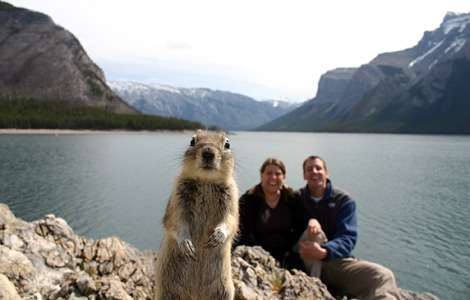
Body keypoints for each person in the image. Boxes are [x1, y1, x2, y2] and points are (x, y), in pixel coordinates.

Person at [292, 155, 402, 300]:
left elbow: (348, 238)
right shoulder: (295, 198)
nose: (314, 172)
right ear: (304, 175)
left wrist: (324, 252)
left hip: (334, 263)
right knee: (314, 235)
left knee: (383, 276)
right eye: (309, 169)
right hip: (304, 258)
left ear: (326, 173)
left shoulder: (343, 201)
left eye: (318, 168)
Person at [236, 158, 299, 269]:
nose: (273, 178)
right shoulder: (249, 200)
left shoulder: (291, 199)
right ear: (262, 175)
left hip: (286, 255)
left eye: (278, 174)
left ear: (284, 177)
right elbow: (246, 236)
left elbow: (300, 227)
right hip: (256, 255)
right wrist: (267, 259)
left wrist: (283, 256)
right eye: (269, 173)